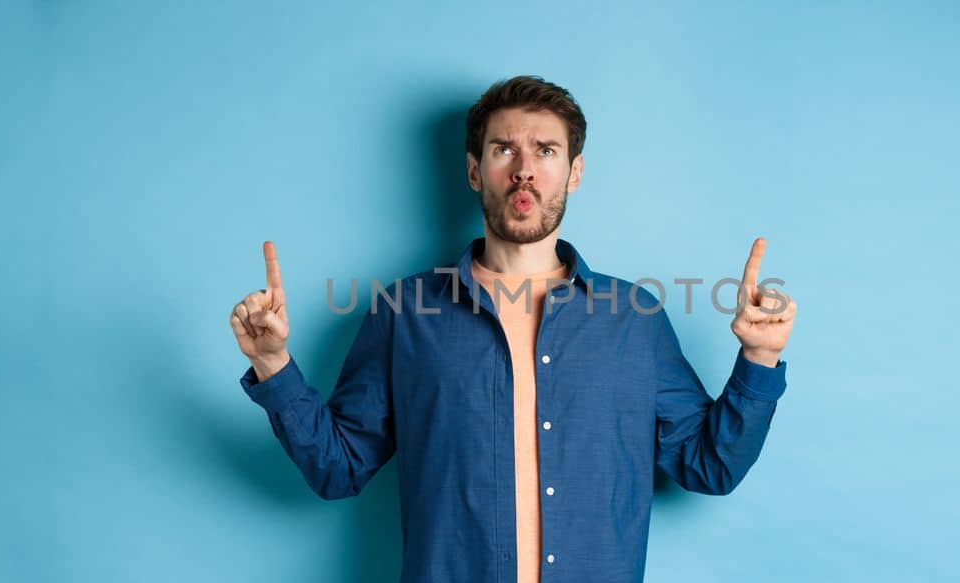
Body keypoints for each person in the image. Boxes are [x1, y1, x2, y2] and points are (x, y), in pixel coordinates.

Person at [228, 75, 798, 583]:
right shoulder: (403, 313)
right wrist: (273, 365)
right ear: (475, 170)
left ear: (573, 173)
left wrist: (760, 360)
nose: (525, 168)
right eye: (504, 149)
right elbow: (338, 467)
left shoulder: (635, 319)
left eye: (545, 150)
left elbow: (710, 465)